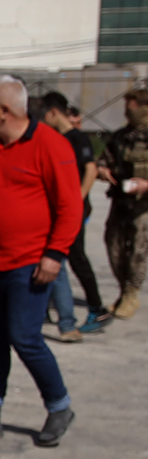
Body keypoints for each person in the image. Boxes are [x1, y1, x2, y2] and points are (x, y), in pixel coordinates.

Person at [0, 77, 84, 447]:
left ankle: (59, 406)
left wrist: (55, 254)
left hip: (30, 264)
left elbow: (70, 207)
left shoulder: (50, 145)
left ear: (6, 112)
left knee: (25, 337)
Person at [41, 90, 111, 337]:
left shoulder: (76, 138)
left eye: (44, 114)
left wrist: (76, 201)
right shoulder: (56, 138)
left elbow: (90, 171)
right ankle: (47, 311)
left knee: (76, 258)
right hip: (64, 209)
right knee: (59, 257)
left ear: (53, 112)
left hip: (75, 209)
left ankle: (96, 308)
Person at [96, 88, 148, 320]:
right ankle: (123, 289)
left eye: (132, 106)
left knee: (137, 249)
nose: (127, 111)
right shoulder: (120, 137)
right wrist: (103, 171)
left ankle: (131, 294)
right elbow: (102, 161)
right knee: (113, 245)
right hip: (120, 200)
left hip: (143, 204)